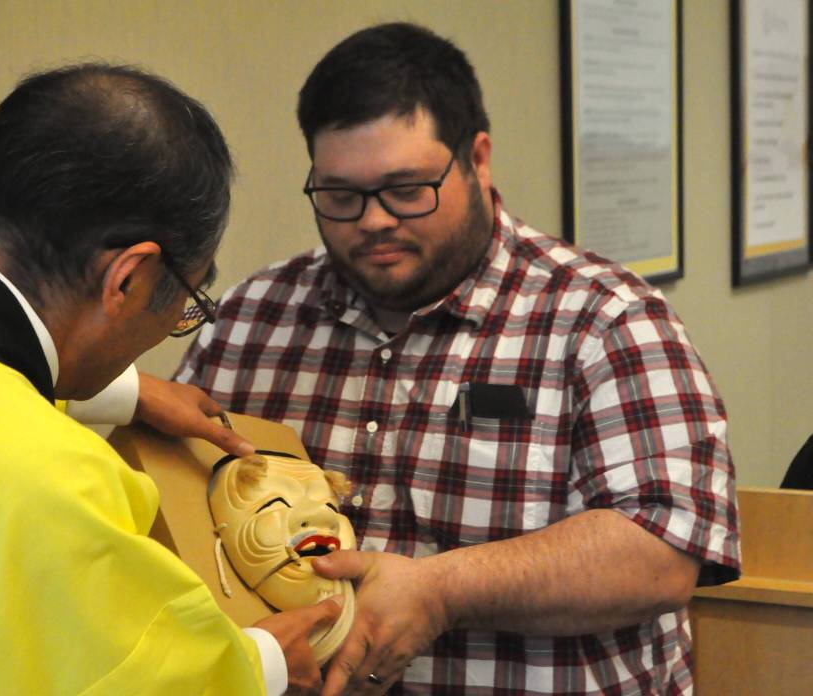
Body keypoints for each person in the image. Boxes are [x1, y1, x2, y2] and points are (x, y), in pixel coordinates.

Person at [175, 23, 740, 695]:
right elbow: (177, 499)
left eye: (407, 188)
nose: (375, 220)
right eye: (340, 195)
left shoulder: (604, 319)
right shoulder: (252, 318)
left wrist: (440, 591)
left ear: (479, 160)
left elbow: (664, 548)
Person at [0, 63, 341, 695]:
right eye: (188, 298)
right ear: (128, 279)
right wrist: (262, 665)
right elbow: (135, 673)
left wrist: (120, 392)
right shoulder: (55, 488)